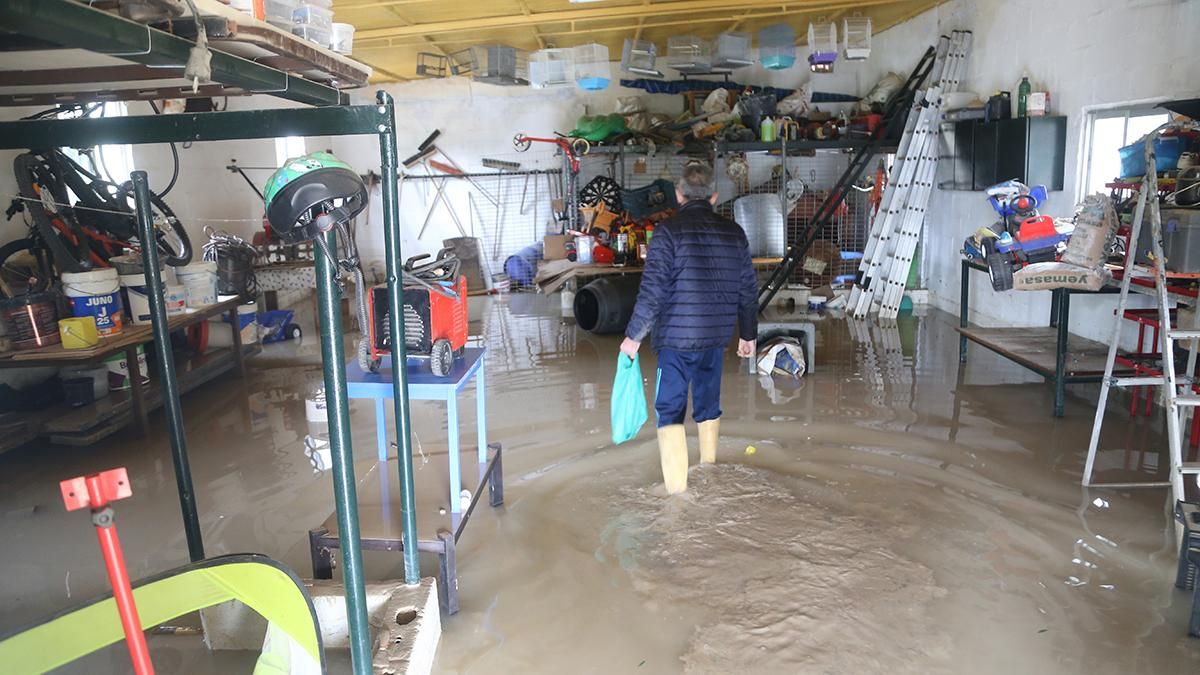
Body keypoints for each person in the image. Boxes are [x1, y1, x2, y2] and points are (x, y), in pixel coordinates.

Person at [620, 159, 758, 495]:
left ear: (679, 195)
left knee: (670, 410)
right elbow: (747, 290)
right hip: (715, 338)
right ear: (713, 196)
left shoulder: (667, 233)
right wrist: (748, 334)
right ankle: (709, 470)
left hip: (675, 344)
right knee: (708, 404)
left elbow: (652, 292)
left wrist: (633, 337)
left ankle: (677, 498)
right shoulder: (734, 233)